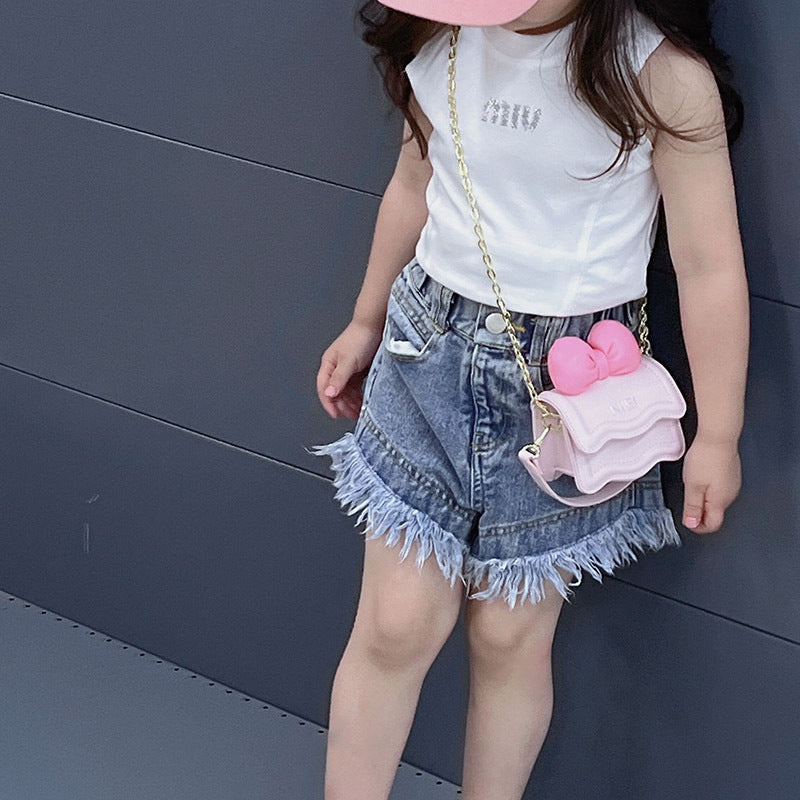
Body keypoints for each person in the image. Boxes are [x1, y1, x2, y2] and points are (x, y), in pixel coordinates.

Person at [306, 0, 749, 797]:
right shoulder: (444, 32)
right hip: (426, 354)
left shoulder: (660, 76)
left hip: (568, 391)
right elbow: (414, 181)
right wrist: (366, 319)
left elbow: (708, 265)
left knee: (510, 637)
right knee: (395, 625)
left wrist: (719, 431)